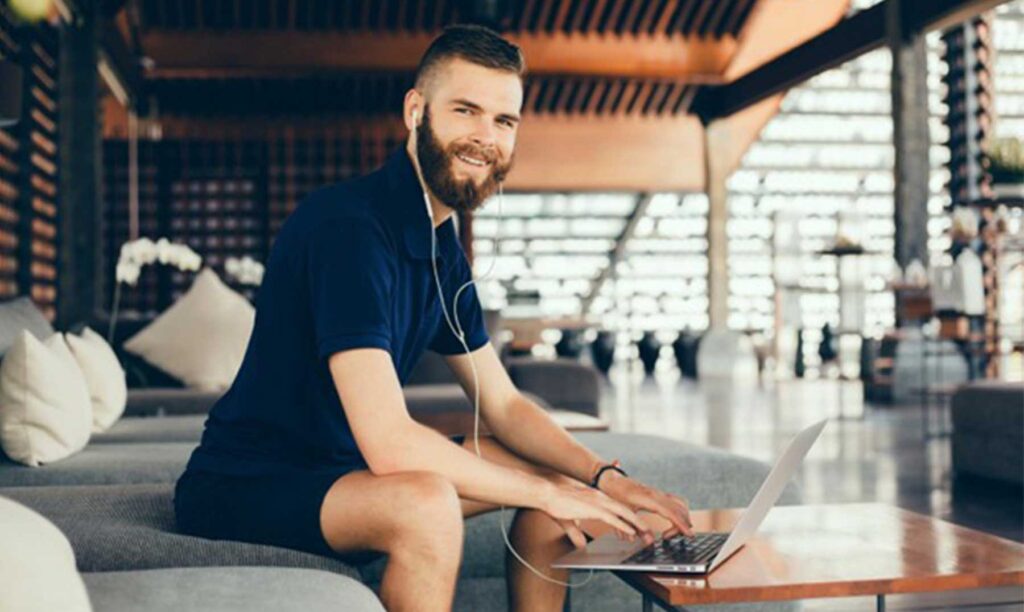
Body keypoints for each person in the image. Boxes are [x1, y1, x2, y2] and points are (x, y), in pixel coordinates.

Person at [174, 24, 694, 612]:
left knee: (556, 483)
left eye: (504, 121)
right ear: (416, 111)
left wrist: (602, 478)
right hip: (250, 484)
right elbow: (392, 445)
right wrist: (542, 490)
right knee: (428, 502)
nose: (485, 137)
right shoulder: (349, 228)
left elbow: (505, 405)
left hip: (347, 472)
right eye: (466, 111)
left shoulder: (443, 248)